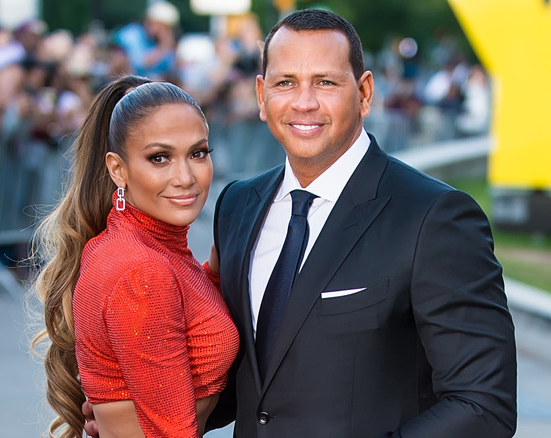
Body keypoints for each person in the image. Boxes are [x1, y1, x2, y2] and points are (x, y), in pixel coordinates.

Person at [87, 8, 517, 438]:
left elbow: (483, 405)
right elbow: (258, 383)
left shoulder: (434, 217)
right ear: (261, 95)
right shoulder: (238, 206)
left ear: (365, 93)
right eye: (285, 82)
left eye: (325, 82)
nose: (304, 102)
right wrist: (129, 413)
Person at [32, 75, 239, 438]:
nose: (185, 177)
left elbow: (186, 312)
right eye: (160, 158)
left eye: (198, 153)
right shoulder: (142, 271)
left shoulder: (147, 248)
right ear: (118, 169)